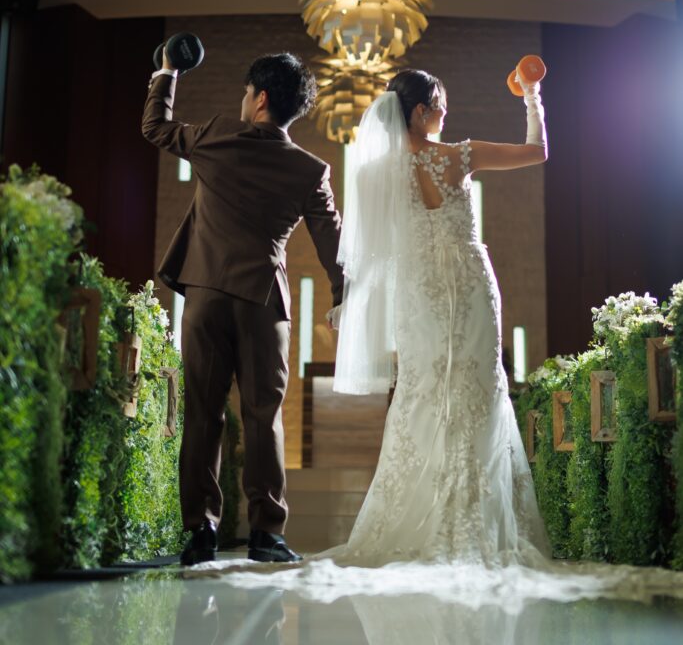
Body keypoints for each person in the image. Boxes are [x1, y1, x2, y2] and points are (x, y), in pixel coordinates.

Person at [324, 66, 551, 566]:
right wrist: (531, 96)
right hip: (470, 284)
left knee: (423, 392)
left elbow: (371, 255)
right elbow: (537, 151)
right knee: (475, 391)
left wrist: (351, 303)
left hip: (418, 292)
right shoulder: (457, 156)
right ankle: (474, 519)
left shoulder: (369, 174)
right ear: (422, 111)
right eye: (442, 106)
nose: (447, 116)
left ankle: (423, 514)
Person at [142, 50, 344, 566]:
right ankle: (267, 536)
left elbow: (155, 127)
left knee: (203, 416)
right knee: (263, 418)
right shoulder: (310, 169)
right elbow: (333, 245)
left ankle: (201, 532)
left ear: (261, 98)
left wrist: (169, 71)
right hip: (264, 304)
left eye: (245, 93)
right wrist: (342, 297)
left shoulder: (215, 136)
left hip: (206, 298)